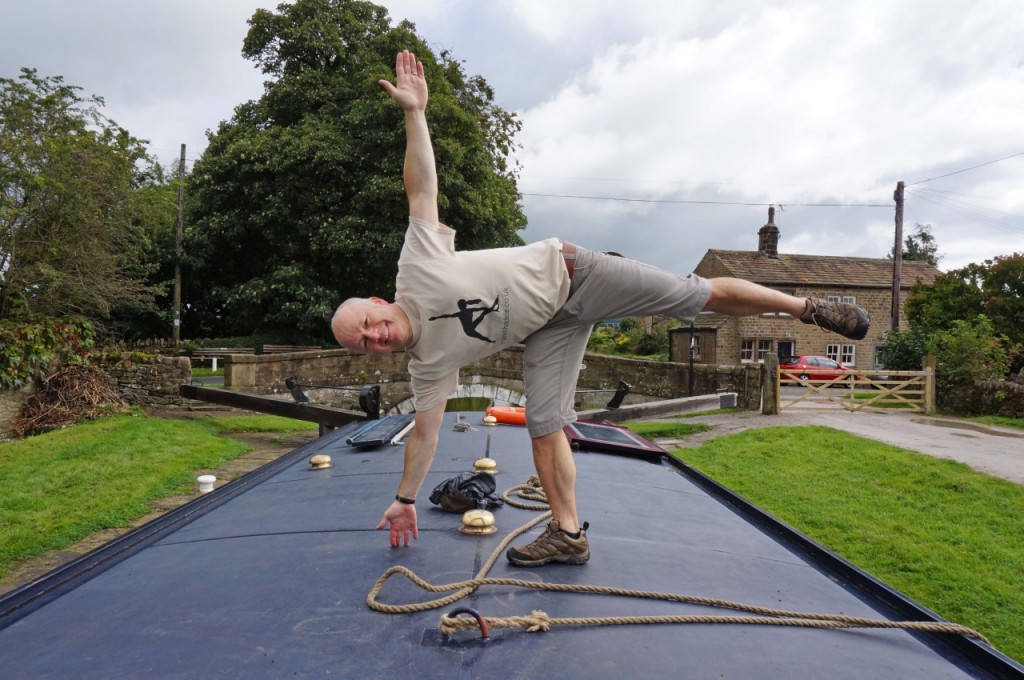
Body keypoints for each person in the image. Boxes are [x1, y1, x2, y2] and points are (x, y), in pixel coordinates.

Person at [331, 51, 870, 567]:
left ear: (378, 303)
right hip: (548, 328)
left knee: (694, 295)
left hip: (578, 273)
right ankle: (568, 535)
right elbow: (424, 435)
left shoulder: (416, 267)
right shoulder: (427, 367)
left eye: (369, 323)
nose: (376, 336)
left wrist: (416, 114)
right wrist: (404, 498)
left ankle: (806, 306)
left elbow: (421, 190)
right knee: (545, 424)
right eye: (366, 343)